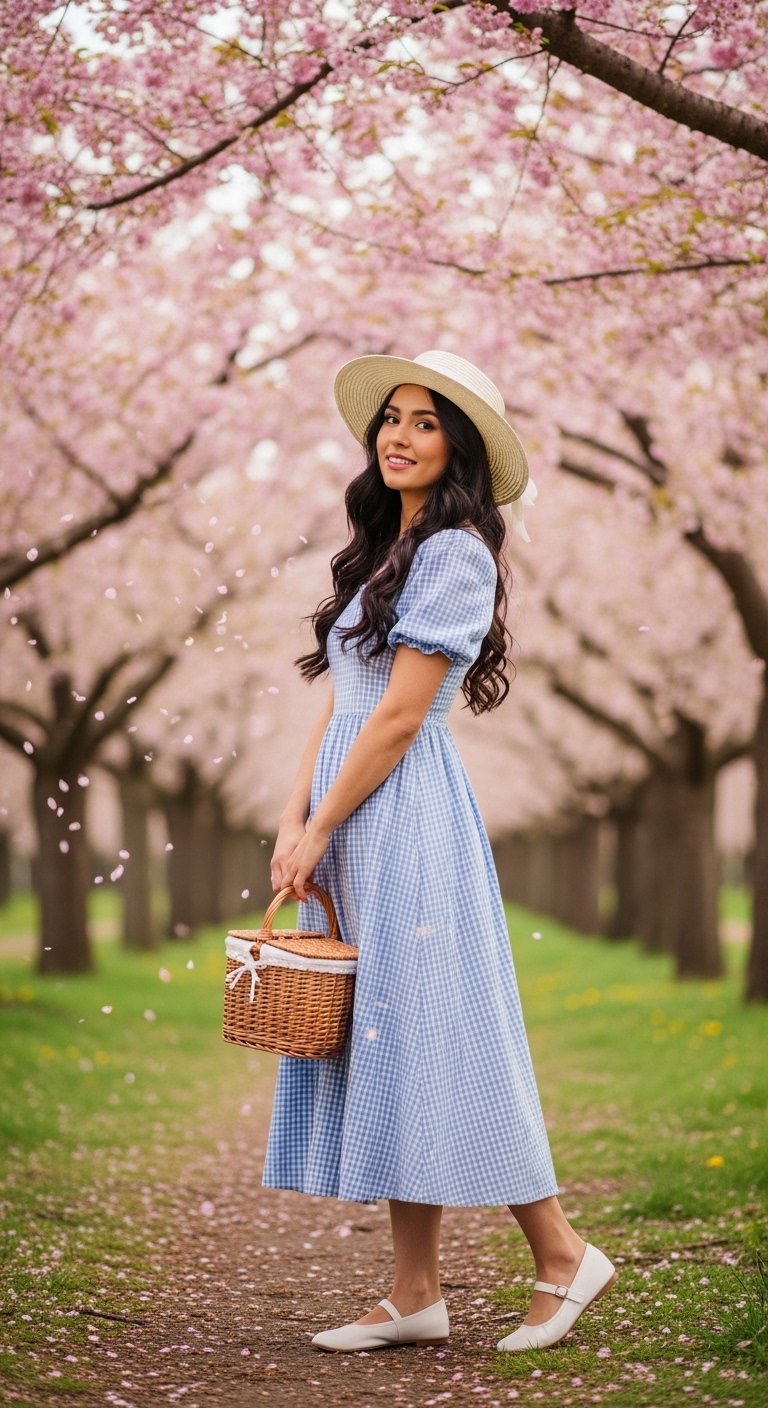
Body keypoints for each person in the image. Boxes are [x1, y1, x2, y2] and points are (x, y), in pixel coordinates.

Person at [266, 351, 616, 1353]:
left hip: (406, 816)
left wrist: (324, 824)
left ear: (458, 449)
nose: (401, 435)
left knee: (441, 1030)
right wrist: (295, 818)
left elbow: (400, 716)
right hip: (352, 812)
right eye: (393, 417)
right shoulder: (387, 550)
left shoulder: (457, 553)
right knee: (388, 1038)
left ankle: (563, 1252)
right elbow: (341, 701)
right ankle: (415, 1291)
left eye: (426, 422)